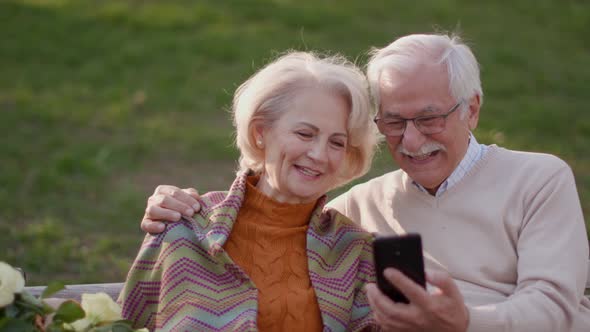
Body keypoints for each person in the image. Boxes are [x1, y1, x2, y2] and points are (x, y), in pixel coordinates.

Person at [139, 34, 590, 331]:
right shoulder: (353, 212)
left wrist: (464, 322)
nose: (411, 141)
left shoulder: (538, 178)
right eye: (393, 122)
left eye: (429, 118)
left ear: (471, 109)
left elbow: (554, 308)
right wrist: (182, 205)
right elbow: (271, 219)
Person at [119, 51, 381, 331]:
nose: (319, 154)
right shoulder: (188, 225)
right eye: (305, 134)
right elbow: (122, 324)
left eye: (337, 143)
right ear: (260, 132)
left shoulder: (354, 251)